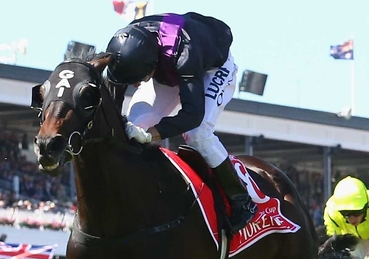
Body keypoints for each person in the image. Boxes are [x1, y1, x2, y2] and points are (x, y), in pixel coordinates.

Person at [104, 12, 256, 234]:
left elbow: (192, 115)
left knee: (197, 134)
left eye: (137, 79)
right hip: (170, 65)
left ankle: (241, 199)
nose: (135, 85)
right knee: (136, 123)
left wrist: (151, 134)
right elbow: (113, 96)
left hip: (211, 69)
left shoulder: (185, 55)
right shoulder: (126, 42)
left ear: (150, 64)